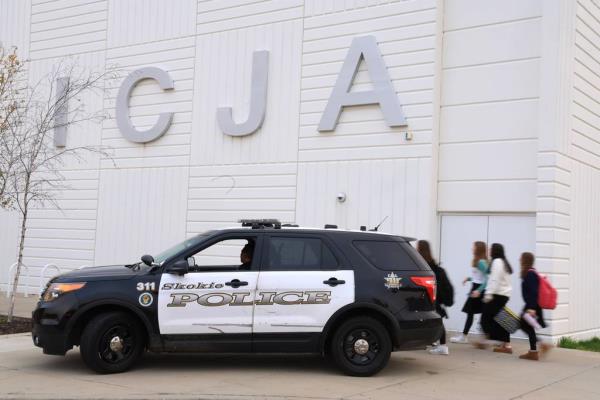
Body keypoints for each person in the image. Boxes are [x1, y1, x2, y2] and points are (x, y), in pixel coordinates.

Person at [417, 240, 452, 356]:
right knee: (435, 319)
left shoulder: (422, 263)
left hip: (429, 295)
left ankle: (442, 346)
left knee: (437, 320)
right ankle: (437, 342)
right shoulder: (432, 263)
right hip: (433, 295)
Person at [451, 241, 489, 344]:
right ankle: (469, 336)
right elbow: (478, 277)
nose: (472, 248)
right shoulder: (478, 261)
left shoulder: (481, 262)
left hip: (478, 290)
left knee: (471, 313)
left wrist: (479, 290)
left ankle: (465, 336)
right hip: (476, 288)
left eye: (474, 247)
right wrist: (468, 278)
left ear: (478, 249)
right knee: (473, 313)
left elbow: (487, 278)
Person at [479, 243, 513, 353]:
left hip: (497, 295)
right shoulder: (503, 262)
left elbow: (494, 279)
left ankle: (490, 341)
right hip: (503, 295)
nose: (489, 250)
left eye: (490, 249)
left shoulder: (497, 262)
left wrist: (488, 294)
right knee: (501, 318)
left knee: (486, 319)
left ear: (495, 251)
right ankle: (506, 345)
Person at [518, 252, 552, 360]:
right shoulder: (530, 272)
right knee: (526, 325)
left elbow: (534, 292)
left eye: (521, 258)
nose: (519, 259)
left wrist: (532, 308)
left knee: (523, 324)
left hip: (532, 305)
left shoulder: (530, 274)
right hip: (531, 304)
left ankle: (537, 348)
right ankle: (536, 350)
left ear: (525, 260)